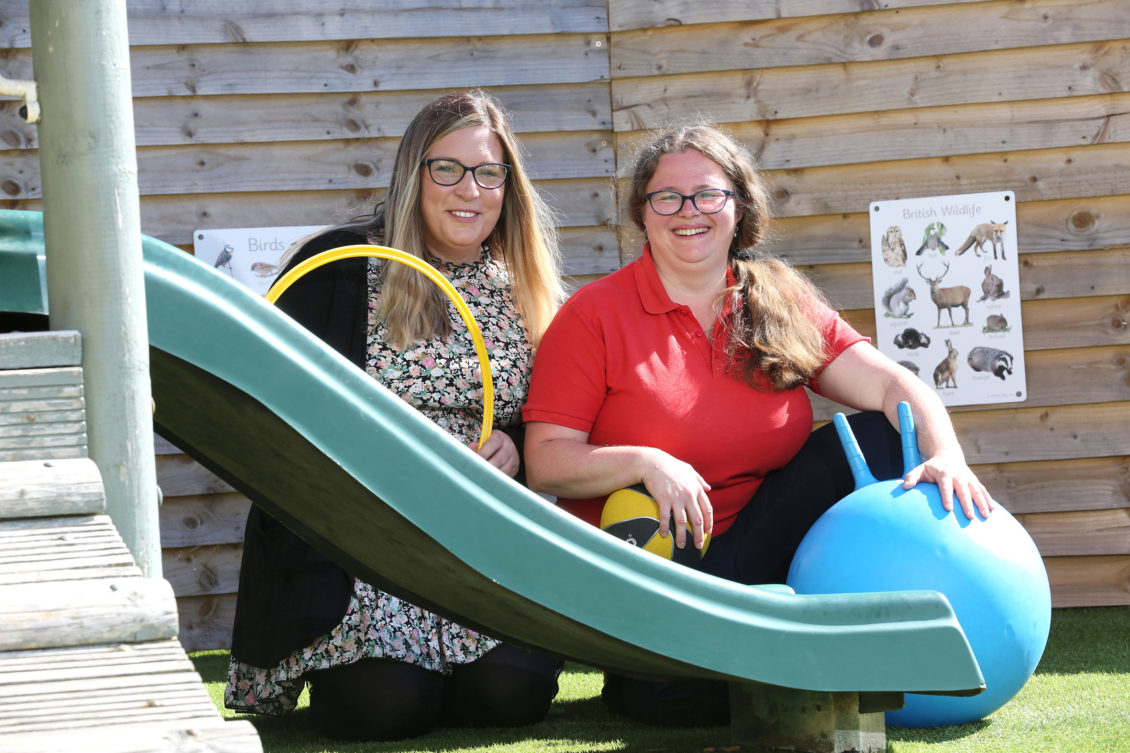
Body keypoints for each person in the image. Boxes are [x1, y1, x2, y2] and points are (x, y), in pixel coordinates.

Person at [521, 124, 994, 725]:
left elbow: (893, 386)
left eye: (707, 194)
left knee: (883, 435)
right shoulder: (593, 315)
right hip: (663, 560)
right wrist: (646, 461)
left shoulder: (775, 298)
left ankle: (836, 628)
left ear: (739, 206)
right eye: (667, 197)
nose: (688, 211)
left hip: (768, 546)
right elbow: (546, 461)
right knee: (665, 704)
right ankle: (688, 664)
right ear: (642, 213)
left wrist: (948, 456)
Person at [225, 90, 565, 741]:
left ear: (508, 186)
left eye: (488, 172)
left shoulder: (523, 282)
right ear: (414, 173)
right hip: (366, 548)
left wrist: (518, 442)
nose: (469, 189)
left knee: (510, 697)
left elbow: (553, 412)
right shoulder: (342, 267)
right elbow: (271, 411)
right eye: (448, 168)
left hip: (480, 546)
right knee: (386, 706)